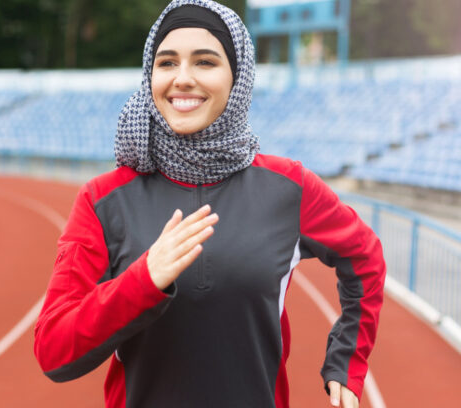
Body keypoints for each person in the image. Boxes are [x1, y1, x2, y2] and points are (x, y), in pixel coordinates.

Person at [34, 1, 386, 407]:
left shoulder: (288, 187)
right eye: (166, 64)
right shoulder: (103, 200)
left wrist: (348, 359)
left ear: (237, 77)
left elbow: (365, 257)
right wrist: (143, 280)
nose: (182, 79)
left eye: (205, 62)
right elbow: (54, 351)